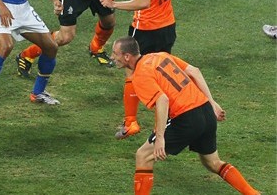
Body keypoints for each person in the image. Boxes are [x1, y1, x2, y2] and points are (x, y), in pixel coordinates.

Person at [110, 37, 261, 195]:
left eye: (115, 53)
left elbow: (162, 100)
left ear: (127, 56)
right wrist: (212, 103)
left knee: (143, 156)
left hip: (186, 119)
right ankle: (253, 193)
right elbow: (194, 71)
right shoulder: (160, 56)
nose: (113, 57)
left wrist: (160, 137)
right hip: (205, 111)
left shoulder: (140, 75)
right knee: (212, 162)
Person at [98, 0, 176, 140]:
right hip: (168, 26)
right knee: (162, 74)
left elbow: (144, 1)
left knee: (132, 72)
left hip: (146, 29)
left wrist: (113, 4)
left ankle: (131, 122)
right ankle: (168, 118)